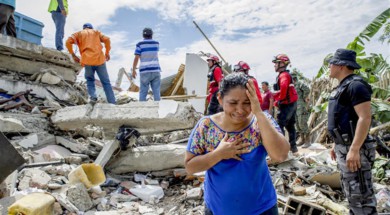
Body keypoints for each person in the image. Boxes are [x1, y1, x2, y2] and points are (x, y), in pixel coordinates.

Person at [185, 72, 290, 215]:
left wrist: (258, 112)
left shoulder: (262, 122)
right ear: (220, 99)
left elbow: (280, 155)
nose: (240, 110)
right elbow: (190, 167)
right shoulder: (206, 126)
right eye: (233, 103)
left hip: (263, 209)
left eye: (247, 103)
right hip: (217, 210)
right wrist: (219, 154)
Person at [328, 48, 377, 215]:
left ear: (341, 65)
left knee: (361, 196)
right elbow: (344, 118)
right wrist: (337, 143)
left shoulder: (355, 85)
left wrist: (355, 149)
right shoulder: (343, 87)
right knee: (352, 193)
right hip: (345, 147)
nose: (329, 67)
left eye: (331, 63)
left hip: (355, 149)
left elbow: (365, 118)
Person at [66, 23, 116, 104]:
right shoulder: (96, 32)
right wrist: (107, 52)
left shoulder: (79, 33)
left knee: (90, 80)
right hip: (100, 60)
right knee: (106, 82)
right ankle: (112, 102)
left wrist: (73, 54)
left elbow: (68, 41)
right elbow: (107, 39)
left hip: (87, 60)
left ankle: (93, 97)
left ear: (84, 28)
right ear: (91, 28)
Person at [272, 54, 299, 155]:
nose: (274, 65)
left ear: (282, 63)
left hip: (286, 104)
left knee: (279, 125)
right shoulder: (286, 75)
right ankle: (294, 149)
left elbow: (283, 89)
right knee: (290, 126)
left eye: (276, 63)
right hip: (292, 103)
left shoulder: (283, 75)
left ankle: (282, 149)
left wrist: (278, 100)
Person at [132, 28, 161, 102]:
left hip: (144, 71)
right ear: (152, 34)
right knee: (156, 91)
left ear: (143, 35)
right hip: (155, 70)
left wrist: (134, 69)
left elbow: (136, 58)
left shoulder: (140, 44)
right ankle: (158, 108)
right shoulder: (156, 44)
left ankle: (142, 108)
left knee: (143, 91)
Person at [291, 72, 311, 148]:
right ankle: (302, 140)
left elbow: (307, 89)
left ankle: (308, 141)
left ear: (293, 78)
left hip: (301, 106)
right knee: (297, 124)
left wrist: (304, 97)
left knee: (302, 123)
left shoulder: (299, 83)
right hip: (295, 107)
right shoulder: (292, 87)